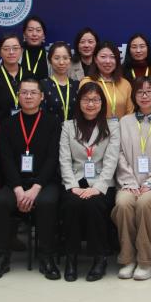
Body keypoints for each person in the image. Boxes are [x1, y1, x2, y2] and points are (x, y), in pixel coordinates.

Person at [0, 78, 62, 280]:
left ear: (42, 96)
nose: (28, 96)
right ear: (18, 96)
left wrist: (36, 188)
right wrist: (19, 189)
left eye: (33, 93)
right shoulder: (7, 124)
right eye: (24, 92)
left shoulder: (53, 122)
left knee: (47, 203)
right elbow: (6, 159)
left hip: (44, 182)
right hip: (17, 182)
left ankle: (47, 257)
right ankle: (1, 258)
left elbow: (52, 158)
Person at [112, 77, 151, 281]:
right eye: (140, 92)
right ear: (134, 96)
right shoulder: (124, 122)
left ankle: (146, 261)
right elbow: (118, 154)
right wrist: (129, 182)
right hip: (128, 183)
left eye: (149, 91)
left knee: (145, 203)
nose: (145, 95)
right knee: (123, 203)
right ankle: (127, 259)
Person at [59, 82, 121, 282]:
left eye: (95, 100)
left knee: (95, 205)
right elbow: (64, 159)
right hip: (76, 180)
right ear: (79, 102)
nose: (91, 104)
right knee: (72, 204)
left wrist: (98, 188)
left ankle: (99, 258)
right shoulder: (68, 126)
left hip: (102, 182)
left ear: (102, 103)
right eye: (86, 99)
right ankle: (71, 258)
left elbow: (111, 160)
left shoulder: (112, 126)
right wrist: (73, 186)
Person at [79, 41, 134, 120]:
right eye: (103, 57)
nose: (108, 61)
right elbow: (83, 111)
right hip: (95, 127)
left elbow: (130, 113)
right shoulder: (86, 82)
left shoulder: (125, 84)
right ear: (95, 59)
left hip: (122, 127)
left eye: (112, 57)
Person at [0, 34, 31, 121]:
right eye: (6, 49)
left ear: (21, 51)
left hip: (28, 126)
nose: (11, 52)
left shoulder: (30, 76)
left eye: (15, 48)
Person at [42, 41, 79, 122]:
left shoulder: (77, 85)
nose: (61, 62)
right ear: (50, 60)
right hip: (51, 129)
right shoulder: (42, 85)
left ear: (70, 60)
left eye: (65, 58)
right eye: (56, 58)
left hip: (74, 129)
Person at [21, 16, 49, 82]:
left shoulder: (50, 57)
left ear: (43, 36)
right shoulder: (15, 55)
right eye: (30, 30)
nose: (34, 34)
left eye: (38, 30)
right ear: (24, 35)